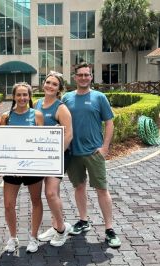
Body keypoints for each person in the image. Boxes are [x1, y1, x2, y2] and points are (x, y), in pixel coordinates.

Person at [62, 62, 121, 248]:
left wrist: (105, 147)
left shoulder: (99, 97)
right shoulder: (66, 98)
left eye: (87, 75)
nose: (83, 78)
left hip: (94, 152)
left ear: (91, 77)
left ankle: (109, 229)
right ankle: (83, 220)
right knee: (79, 188)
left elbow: (109, 122)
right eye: (80, 75)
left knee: (102, 190)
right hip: (74, 153)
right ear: (75, 77)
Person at [1, 82, 44, 253]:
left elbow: (42, 141)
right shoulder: (6, 117)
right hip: (12, 169)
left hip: (32, 167)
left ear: (29, 96)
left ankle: (33, 238)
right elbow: (2, 142)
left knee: (36, 201)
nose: (22, 98)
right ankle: (13, 238)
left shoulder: (37, 115)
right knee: (8, 204)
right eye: (18, 95)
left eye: (25, 95)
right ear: (13, 97)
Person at [35, 71, 73, 247]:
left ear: (59, 89)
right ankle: (56, 225)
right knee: (53, 194)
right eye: (48, 82)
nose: (50, 86)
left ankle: (61, 230)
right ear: (44, 84)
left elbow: (69, 135)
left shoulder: (61, 108)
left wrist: (56, 155)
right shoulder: (37, 104)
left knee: (50, 193)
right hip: (41, 156)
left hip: (59, 156)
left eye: (54, 84)